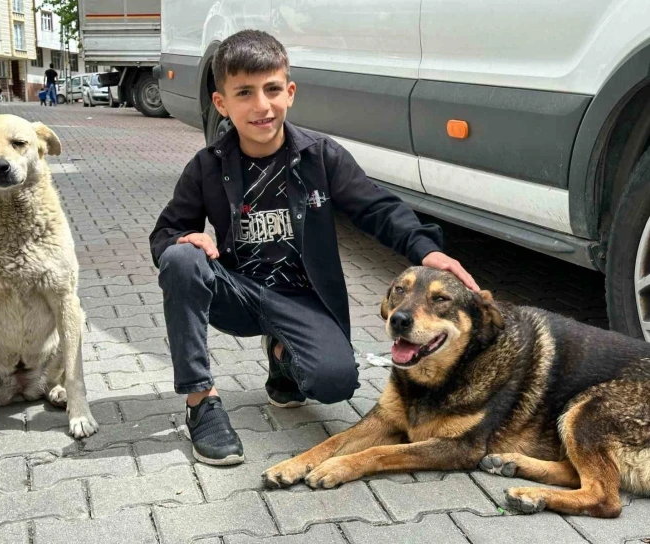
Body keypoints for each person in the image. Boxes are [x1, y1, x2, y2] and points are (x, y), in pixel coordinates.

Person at [149, 30, 479, 466]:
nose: (261, 106)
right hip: (239, 294)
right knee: (180, 258)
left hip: (303, 297)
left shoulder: (320, 156)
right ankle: (201, 402)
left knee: (335, 383)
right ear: (221, 103)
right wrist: (185, 239)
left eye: (271, 89)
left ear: (289, 93)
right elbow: (165, 232)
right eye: (244, 93)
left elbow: (377, 208)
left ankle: (284, 360)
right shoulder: (207, 166)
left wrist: (425, 249)